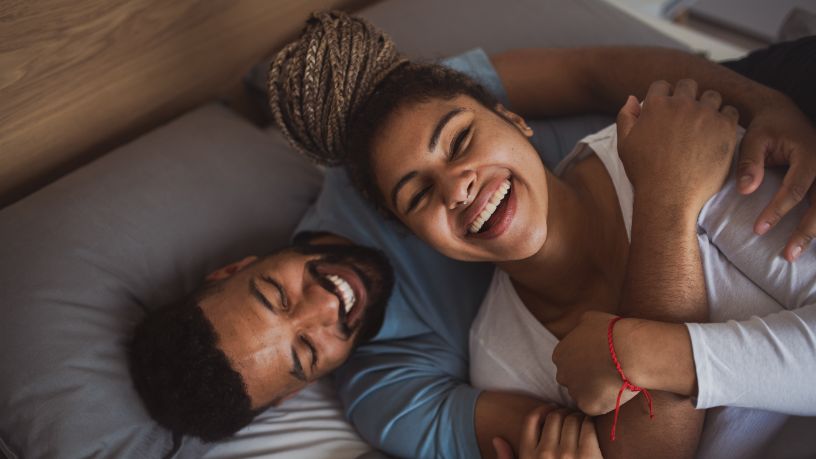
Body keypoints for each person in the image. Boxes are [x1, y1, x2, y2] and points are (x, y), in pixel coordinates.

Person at [270, 11, 816, 458]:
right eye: (418, 197)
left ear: (514, 119)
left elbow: (590, 71)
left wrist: (646, 346)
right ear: (416, 234)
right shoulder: (499, 362)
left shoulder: (670, 150)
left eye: (460, 141)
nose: (456, 190)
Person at [128, 233, 394, 442]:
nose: (327, 305)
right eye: (308, 349)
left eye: (277, 295)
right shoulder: (399, 388)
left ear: (233, 269)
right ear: (301, 388)